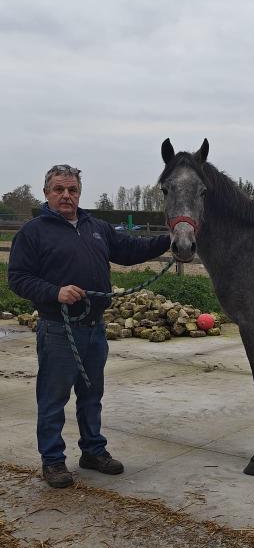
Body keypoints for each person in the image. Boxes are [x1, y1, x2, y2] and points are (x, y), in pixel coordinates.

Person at [8, 164, 171, 489]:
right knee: (54, 398)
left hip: (95, 329)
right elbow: (18, 278)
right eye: (59, 189)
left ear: (79, 193)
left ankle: (93, 451)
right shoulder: (33, 232)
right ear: (47, 193)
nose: (66, 195)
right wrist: (55, 292)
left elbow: (129, 250)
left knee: (91, 395)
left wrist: (171, 239)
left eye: (72, 190)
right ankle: (53, 461)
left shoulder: (96, 226)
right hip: (59, 329)